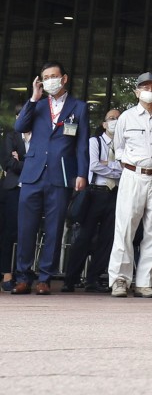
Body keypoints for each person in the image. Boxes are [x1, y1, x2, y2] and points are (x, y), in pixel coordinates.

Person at [11, 61, 89, 295]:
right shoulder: (38, 105)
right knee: (26, 227)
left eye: (53, 76)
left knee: (54, 229)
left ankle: (44, 277)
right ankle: (23, 276)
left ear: (64, 78)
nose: (50, 80)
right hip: (33, 173)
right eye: (45, 77)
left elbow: (82, 144)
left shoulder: (79, 107)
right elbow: (19, 125)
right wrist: (33, 98)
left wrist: (82, 174)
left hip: (61, 174)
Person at [108, 72, 152, 298]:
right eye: (145, 86)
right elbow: (118, 149)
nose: (150, 90)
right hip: (133, 176)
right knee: (125, 228)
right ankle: (120, 280)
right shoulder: (126, 118)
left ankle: (145, 282)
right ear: (136, 91)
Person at [62, 109, 122, 293]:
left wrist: (108, 165)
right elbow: (94, 165)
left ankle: (93, 279)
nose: (114, 122)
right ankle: (70, 279)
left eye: (118, 119)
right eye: (111, 118)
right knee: (84, 237)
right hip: (95, 194)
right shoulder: (94, 141)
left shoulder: (123, 145)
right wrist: (116, 167)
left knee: (107, 239)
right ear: (104, 123)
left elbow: (127, 168)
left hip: (115, 195)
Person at [1, 110, 28, 292]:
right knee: (8, 232)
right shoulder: (11, 136)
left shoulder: (40, 138)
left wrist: (21, 160)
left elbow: (45, 163)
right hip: (12, 190)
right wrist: (29, 163)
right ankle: (6, 273)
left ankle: (23, 273)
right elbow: (8, 164)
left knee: (26, 233)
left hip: (32, 190)